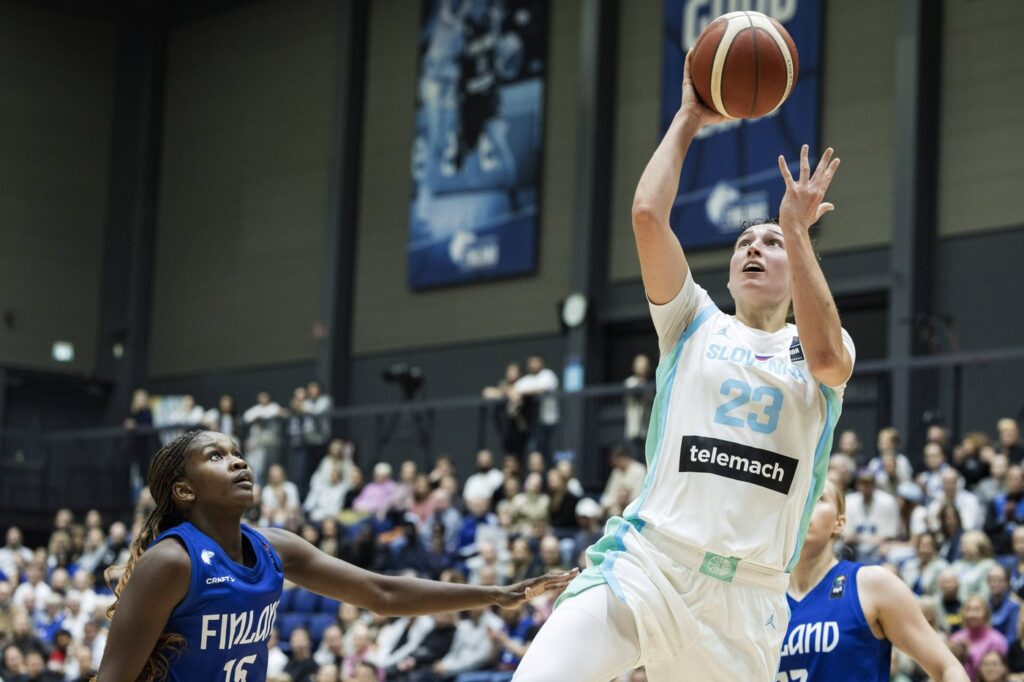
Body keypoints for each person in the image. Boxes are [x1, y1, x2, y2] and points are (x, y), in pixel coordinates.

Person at [515, 49, 853, 681]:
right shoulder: (693, 321)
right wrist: (689, 117)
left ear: (798, 263)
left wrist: (796, 228)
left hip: (748, 602)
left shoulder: (820, 348)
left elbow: (830, 358)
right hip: (649, 566)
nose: (754, 247)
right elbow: (647, 215)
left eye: (771, 242)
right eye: (744, 242)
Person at [93, 430, 576, 681]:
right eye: (215, 457)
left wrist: (494, 593)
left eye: (236, 452)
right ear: (184, 490)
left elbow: (382, 592)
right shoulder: (172, 562)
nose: (238, 461)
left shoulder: (274, 546)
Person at [778, 479, 967, 681]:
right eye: (798, 497)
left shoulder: (872, 584)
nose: (804, 505)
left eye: (818, 498)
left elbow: (948, 668)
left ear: (839, 523)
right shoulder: (766, 599)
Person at [950, 595, 1009, 680]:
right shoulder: (956, 639)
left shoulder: (997, 640)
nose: (972, 614)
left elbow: (1001, 674)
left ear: (986, 614)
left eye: (977, 610)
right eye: (968, 610)